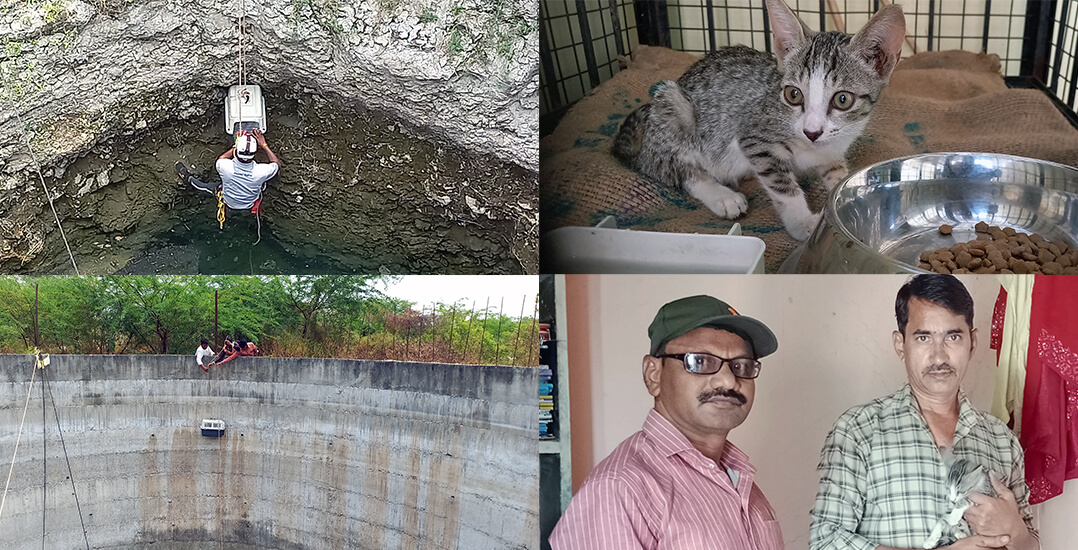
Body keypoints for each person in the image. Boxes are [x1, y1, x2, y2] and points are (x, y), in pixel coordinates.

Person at [810, 275, 1039, 550]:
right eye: (923, 337)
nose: (939, 356)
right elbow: (826, 540)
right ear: (900, 344)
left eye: (953, 336)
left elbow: (1032, 543)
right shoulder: (858, 431)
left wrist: (1015, 531)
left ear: (973, 342)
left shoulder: (1002, 440)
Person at [549, 295, 784, 549]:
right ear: (653, 375)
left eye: (741, 365)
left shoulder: (739, 477)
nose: (728, 381)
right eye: (701, 361)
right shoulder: (619, 489)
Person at [175, 128, 280, 214]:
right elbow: (276, 163)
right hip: (249, 204)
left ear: (236, 151)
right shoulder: (262, 171)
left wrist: (236, 145)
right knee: (263, 181)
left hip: (229, 201)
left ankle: (187, 178)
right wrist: (264, 145)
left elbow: (223, 157)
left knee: (200, 185)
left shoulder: (225, 167)